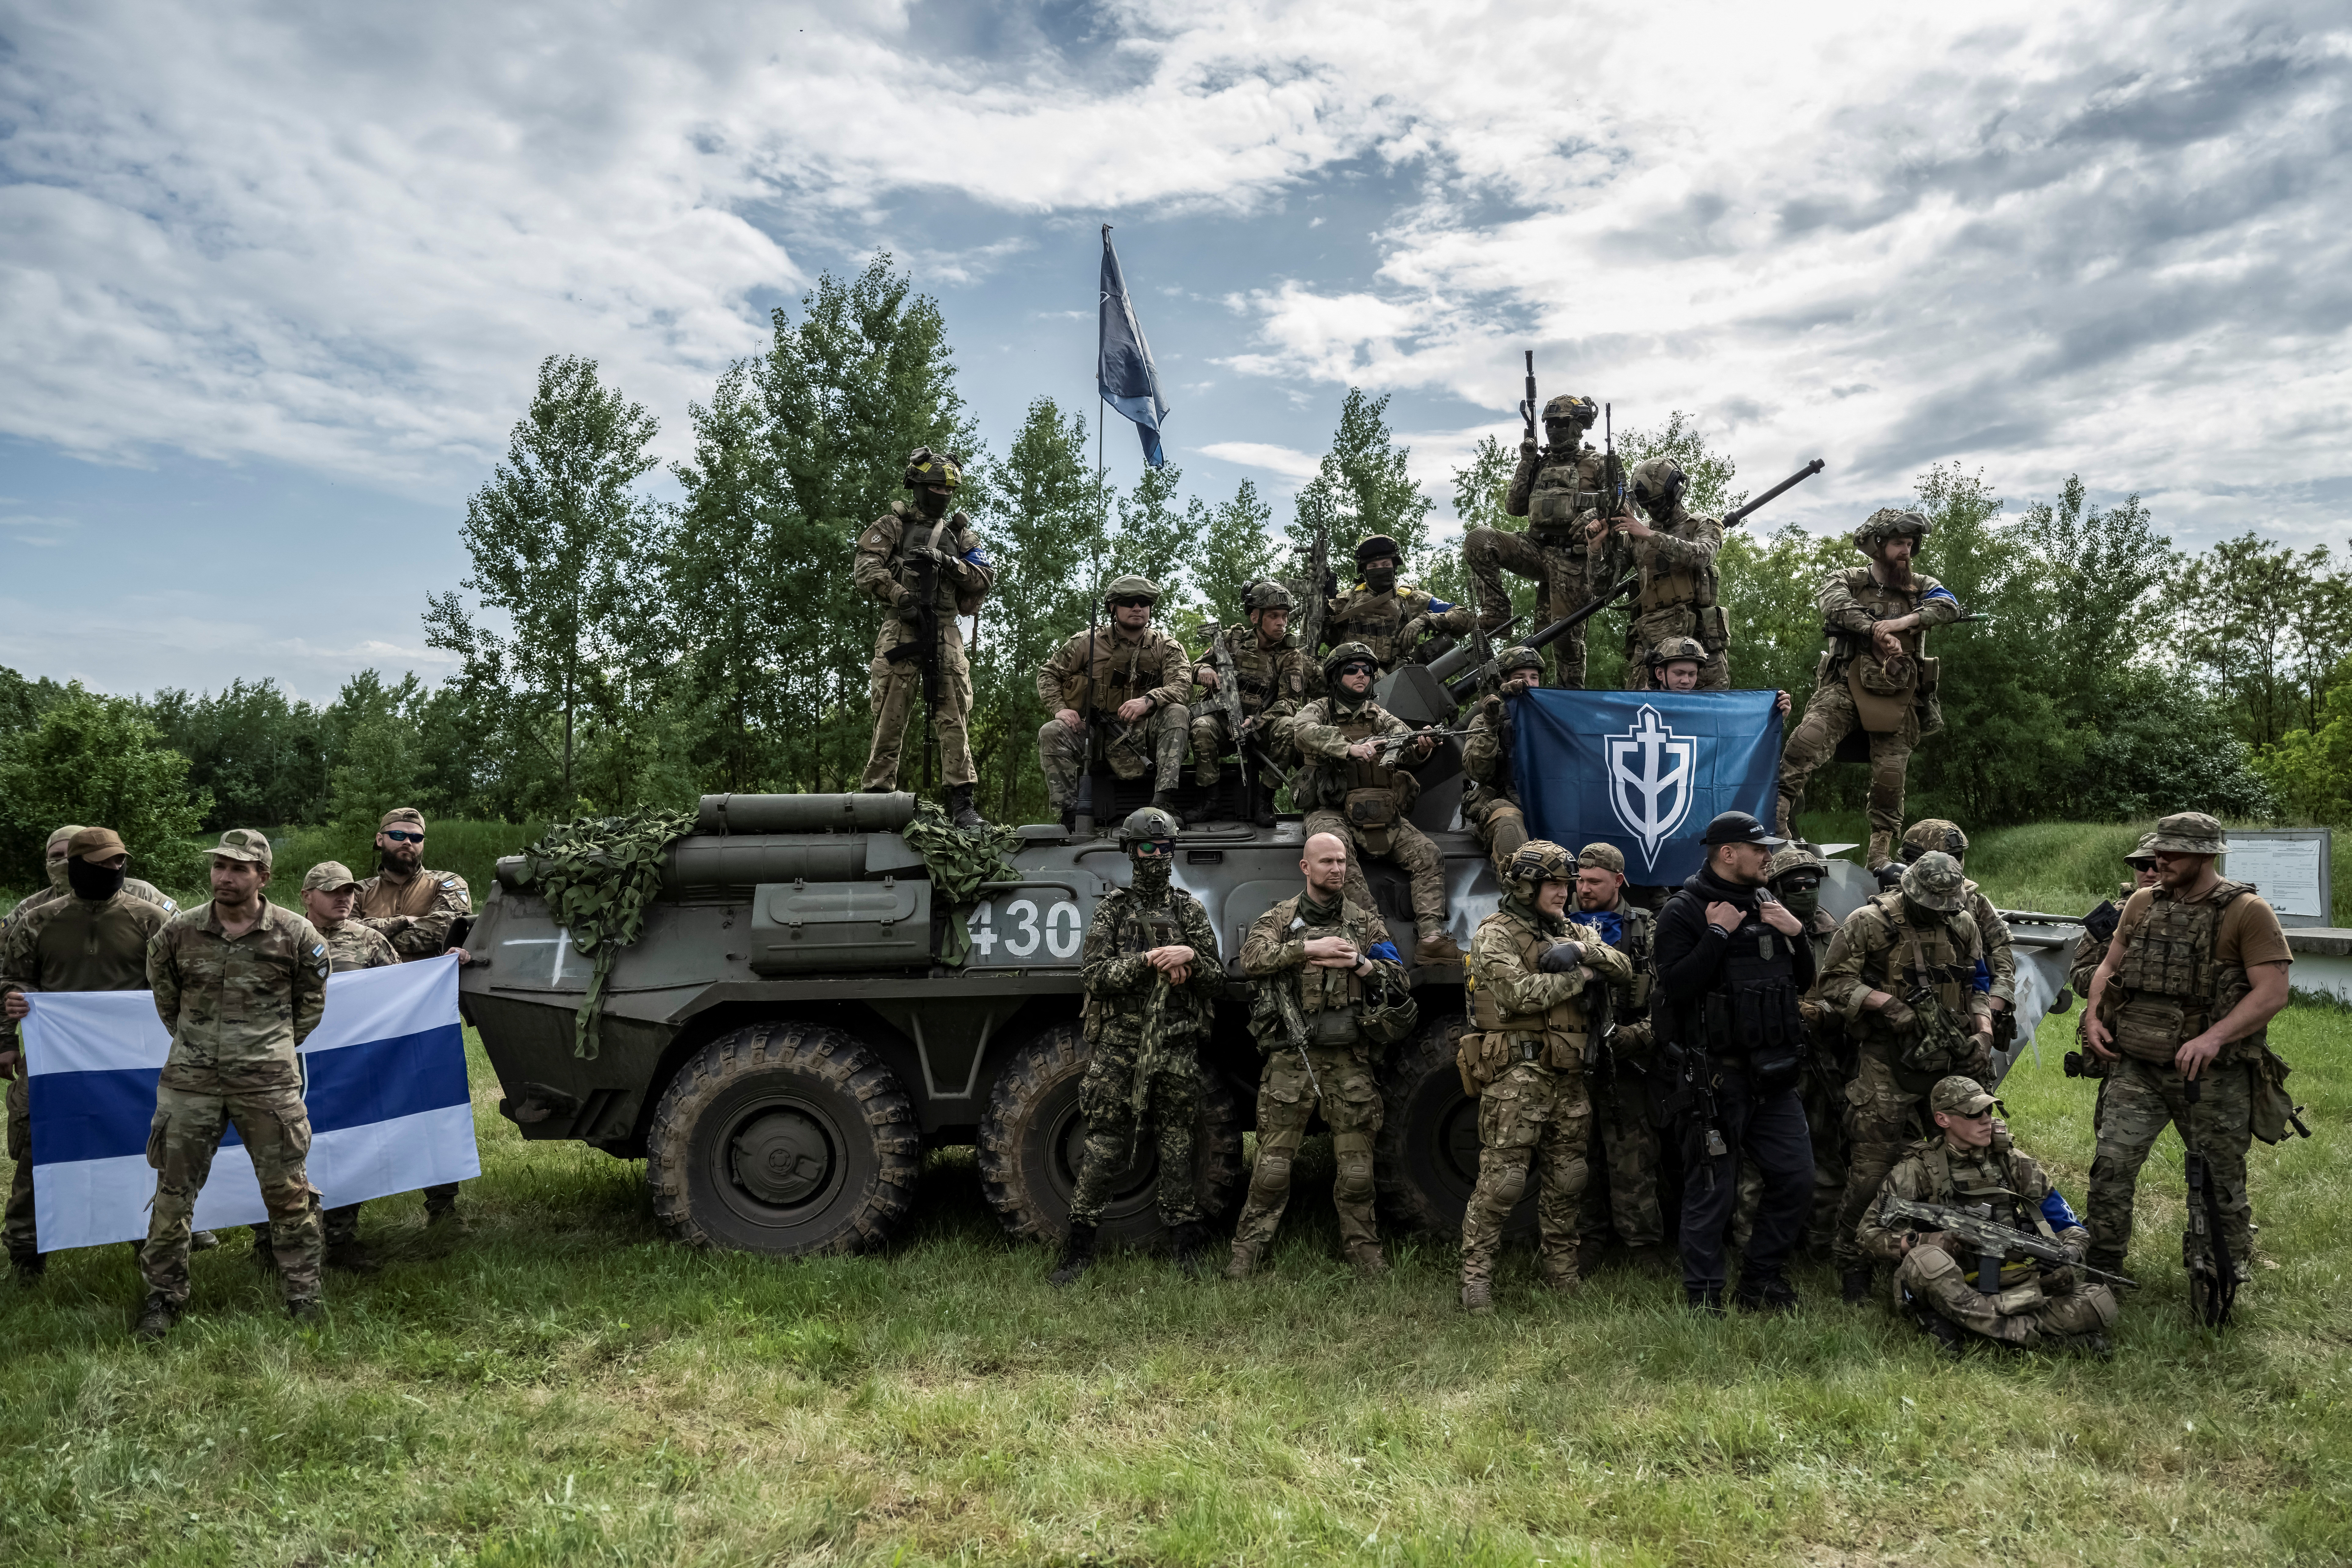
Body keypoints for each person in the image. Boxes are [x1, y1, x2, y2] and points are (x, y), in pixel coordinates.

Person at [2080, 812, 2292, 1301]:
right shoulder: (2141, 902)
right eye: (2160, 849)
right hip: (2136, 1065)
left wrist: (2213, 1037)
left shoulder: (2246, 910)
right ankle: (2101, 1273)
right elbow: (2108, 966)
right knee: (2110, 1167)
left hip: (2209, 1076)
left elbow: (2271, 991)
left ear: (2206, 855)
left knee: (2217, 1182)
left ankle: (2215, 1277)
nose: (2160, 859)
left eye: (2173, 852)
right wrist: (2093, 1017)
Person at [136, 830, 333, 1340]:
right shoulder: (177, 934)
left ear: (263, 877)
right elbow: (167, 1002)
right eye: (220, 866)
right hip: (191, 1084)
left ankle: (303, 1293)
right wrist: (202, 1047)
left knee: (288, 1192)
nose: (225, 876)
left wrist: (263, 1049)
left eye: (239, 868)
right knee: (173, 1194)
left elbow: (308, 1009)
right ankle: (162, 1298)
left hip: (268, 1086)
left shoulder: (296, 936)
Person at [1049, 806, 1223, 1286]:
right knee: (1103, 1144)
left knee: (1176, 1142)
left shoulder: (1188, 910)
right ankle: (1077, 1249)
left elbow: (1215, 976)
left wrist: (1190, 954)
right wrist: (1146, 960)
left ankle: (1185, 1246)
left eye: (1165, 847)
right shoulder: (1114, 909)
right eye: (1147, 848)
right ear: (1130, 851)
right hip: (1120, 1045)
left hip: (1175, 1042)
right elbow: (1093, 976)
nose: (1156, 857)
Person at [1456, 840, 1633, 1311]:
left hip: (1568, 1073)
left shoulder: (1572, 928)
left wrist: (1578, 948)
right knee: (1502, 1182)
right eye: (1553, 884)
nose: (1563, 893)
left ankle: (1562, 1270)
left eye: (1567, 884)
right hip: (1517, 1074)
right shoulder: (1494, 935)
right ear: (1525, 885)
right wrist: (1584, 975)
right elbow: (1518, 995)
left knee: (1569, 1177)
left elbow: (1623, 966)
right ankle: (1476, 1277)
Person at [1229, 831, 1413, 1280]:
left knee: (1356, 1170)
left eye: (1341, 862)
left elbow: (1397, 981)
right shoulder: (1280, 918)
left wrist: (1359, 964)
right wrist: (1308, 949)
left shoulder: (1364, 922)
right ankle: (1245, 1254)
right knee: (1271, 1167)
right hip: (1291, 1060)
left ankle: (1365, 1254)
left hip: (1349, 1060)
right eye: (1326, 861)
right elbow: (1250, 958)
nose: (1336, 869)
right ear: (1305, 867)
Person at [1652, 811, 1816, 1314]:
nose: (1768, 857)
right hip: (1715, 1079)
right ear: (1727, 854)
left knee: (1796, 1178)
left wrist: (1797, 935)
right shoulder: (1682, 911)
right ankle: (1704, 1300)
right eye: (1759, 849)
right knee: (1711, 1192)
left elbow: (1802, 983)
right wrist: (1717, 936)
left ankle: (1760, 1282)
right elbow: (1675, 987)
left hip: (1772, 1077)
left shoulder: (1769, 902)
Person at [1816, 850, 1995, 1305]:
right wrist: (1884, 1002)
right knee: (1872, 1169)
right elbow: (1832, 982)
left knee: (1959, 1163)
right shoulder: (1867, 922)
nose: (1939, 910)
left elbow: (1977, 984)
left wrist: (1983, 1031)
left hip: (1949, 1061)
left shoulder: (1963, 923)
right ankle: (1851, 1259)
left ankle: (1945, 1255)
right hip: (1886, 1062)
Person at [1, 828, 177, 1284]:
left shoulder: (151, 919)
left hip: (133, 1066)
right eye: (101, 863)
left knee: (144, 1154)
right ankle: (26, 1255)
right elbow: (12, 981)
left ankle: (149, 1244)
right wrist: (9, 1026)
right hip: (59, 1064)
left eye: (119, 861)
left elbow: (177, 988)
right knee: (41, 1155)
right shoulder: (37, 922)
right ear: (75, 865)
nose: (113, 869)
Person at [1856, 1075, 2119, 1355]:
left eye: (1988, 1111)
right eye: (1973, 1114)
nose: (1985, 1120)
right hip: (1949, 1279)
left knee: (2097, 1302)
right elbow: (1867, 1235)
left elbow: (2069, 1226)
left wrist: (2067, 1252)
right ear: (1943, 1120)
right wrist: (1923, 1240)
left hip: (2008, 1279)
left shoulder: (2012, 1162)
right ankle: (2041, 1340)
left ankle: (1963, 1324)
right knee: (1928, 1263)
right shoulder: (1917, 1170)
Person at [1775, 508, 1966, 868]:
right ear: (1877, 546)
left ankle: (1879, 855)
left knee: (1890, 778)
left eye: (1909, 544)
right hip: (1845, 683)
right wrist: (1873, 629)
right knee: (1804, 743)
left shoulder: (1921, 585)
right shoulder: (1848, 579)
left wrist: (1904, 622)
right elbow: (1832, 603)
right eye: (1897, 543)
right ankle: (1778, 824)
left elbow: (1949, 604)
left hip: (1899, 690)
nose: (1905, 551)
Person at [1285, 642, 1460, 967]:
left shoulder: (1378, 715)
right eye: (1352, 669)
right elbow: (1302, 730)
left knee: (1428, 855)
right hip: (1330, 809)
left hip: (1378, 810)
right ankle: (1376, 937)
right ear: (1336, 676)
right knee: (1338, 859)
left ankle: (1432, 940)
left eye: (1367, 670)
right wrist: (1348, 748)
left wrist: (1421, 746)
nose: (1362, 675)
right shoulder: (1320, 709)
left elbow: (1403, 744)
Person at [852, 446, 996, 826]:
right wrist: (901, 596)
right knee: (889, 713)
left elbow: (984, 577)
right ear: (916, 486)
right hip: (901, 629)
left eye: (949, 489)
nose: (943, 496)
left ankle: (962, 802)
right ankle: (878, 798)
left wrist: (948, 563)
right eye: (936, 488)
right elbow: (866, 569)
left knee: (954, 716)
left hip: (946, 631)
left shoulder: (959, 534)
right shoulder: (892, 526)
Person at [355, 807, 470, 1226]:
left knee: (436, 1107)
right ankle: (345, 1217)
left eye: (417, 837)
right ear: (380, 839)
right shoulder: (355, 888)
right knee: (360, 1106)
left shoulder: (448, 883)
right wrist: (401, 926)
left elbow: (441, 930)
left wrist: (374, 930)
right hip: (369, 1017)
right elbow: (340, 937)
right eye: (399, 834)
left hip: (427, 1015)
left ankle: (443, 1208)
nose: (409, 842)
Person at [1565, 843, 1672, 1279]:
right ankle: (1587, 1239)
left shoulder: (1647, 930)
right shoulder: (1560, 926)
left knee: (1633, 1157)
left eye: (1594, 881)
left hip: (1627, 1059)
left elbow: (1668, 1000)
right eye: (1580, 880)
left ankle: (1642, 1244)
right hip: (1572, 1057)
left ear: (1618, 881)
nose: (1584, 889)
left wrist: (1638, 1035)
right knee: (1577, 1157)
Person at [1466, 394, 1608, 687]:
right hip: (1535, 550)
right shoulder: (1539, 464)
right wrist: (1526, 462)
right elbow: (1514, 507)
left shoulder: (1597, 464)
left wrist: (1595, 513)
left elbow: (1625, 507)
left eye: (1561, 423)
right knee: (1480, 540)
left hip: (1572, 562)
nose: (1554, 430)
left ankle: (1568, 704)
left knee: (1562, 641)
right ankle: (1496, 611)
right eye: (1550, 424)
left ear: (1578, 426)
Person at [299, 861, 398, 1275]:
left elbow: (402, 993)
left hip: (349, 1067)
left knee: (347, 1146)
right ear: (307, 896)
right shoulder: (284, 935)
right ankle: (272, 1243)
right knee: (284, 1151)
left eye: (350, 891)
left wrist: (446, 966)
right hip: (292, 1063)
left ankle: (341, 1239)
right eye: (333, 891)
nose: (345, 898)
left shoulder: (370, 941)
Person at [1036, 575, 1196, 830]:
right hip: (1097, 736)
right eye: (1129, 602)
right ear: (1113, 607)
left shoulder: (1165, 646)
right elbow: (1048, 674)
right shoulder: (1087, 642)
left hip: (1147, 735)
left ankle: (1163, 802)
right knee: (1051, 732)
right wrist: (1060, 708)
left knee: (1177, 712)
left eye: (1144, 602)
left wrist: (1149, 700)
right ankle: (1069, 812)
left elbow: (1182, 685)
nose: (1137, 608)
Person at [1589, 457, 1729, 690]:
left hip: (1697, 641)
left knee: (1706, 715)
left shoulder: (1701, 525)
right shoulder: (1635, 535)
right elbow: (1602, 587)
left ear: (1675, 492)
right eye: (1646, 506)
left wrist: (1648, 534)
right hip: (1649, 644)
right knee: (1639, 714)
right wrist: (1595, 549)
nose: (1651, 511)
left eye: (1657, 503)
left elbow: (1702, 555)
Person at [1188, 579, 1313, 825]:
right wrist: (1203, 669)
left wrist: (1258, 720)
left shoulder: (1289, 655)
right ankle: (1210, 801)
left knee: (1289, 726)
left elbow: (1290, 703)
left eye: (1285, 617)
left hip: (1260, 728)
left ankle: (1264, 799)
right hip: (1222, 722)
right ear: (1255, 617)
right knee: (1201, 726)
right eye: (1274, 616)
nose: (1282, 623)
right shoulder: (1229, 641)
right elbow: (1192, 669)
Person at [1891, 819, 2018, 1052]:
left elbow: (2003, 965)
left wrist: (1986, 1017)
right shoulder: (1890, 904)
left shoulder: (1974, 902)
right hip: (1902, 1023)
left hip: (1966, 1018)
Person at [1320, 535, 1474, 672]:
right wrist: (1316, 595)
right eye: (1374, 566)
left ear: (1395, 567)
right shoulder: (1346, 600)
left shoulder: (1413, 599)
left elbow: (1465, 617)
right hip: (1344, 674)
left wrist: (1426, 620)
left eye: (1386, 565)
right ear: (1364, 571)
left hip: (1390, 680)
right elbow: (1313, 630)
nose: (1381, 569)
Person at [1, 824, 179, 938]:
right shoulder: (32, 907)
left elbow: (183, 935)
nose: (64, 862)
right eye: (56, 856)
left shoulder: (141, 893)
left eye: (71, 854)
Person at [1460, 646, 1543, 876]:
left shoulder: (1552, 717)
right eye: (1520, 677)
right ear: (1505, 681)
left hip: (1547, 801)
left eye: (1534, 677)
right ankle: (1520, 897)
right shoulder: (1485, 718)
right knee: (1509, 825)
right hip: (1503, 801)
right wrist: (1492, 724)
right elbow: (1478, 772)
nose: (1528, 683)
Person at [2068, 833, 2161, 999]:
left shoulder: (2194, 909)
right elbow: (2079, 976)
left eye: (2157, 866)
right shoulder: (2114, 916)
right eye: (2142, 865)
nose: (2150, 873)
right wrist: (2125, 974)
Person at [1649, 638, 1791, 715]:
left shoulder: (1709, 709)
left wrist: (1775, 717)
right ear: (1660, 674)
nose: (1686, 681)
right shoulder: (1637, 707)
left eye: (1692, 674)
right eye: (1679, 673)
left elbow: (1742, 734)